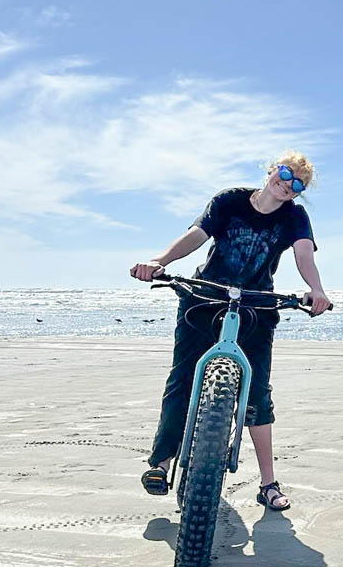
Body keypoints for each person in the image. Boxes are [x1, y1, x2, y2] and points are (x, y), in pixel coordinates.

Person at [130, 151, 331, 511]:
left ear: (299, 193)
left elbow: (304, 257)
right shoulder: (230, 200)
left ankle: (268, 483)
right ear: (272, 171)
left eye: (297, 183)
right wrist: (160, 261)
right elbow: (196, 235)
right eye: (285, 173)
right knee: (183, 380)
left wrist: (316, 289)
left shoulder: (295, 217)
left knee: (257, 394)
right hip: (204, 299)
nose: (288, 184)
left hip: (256, 306)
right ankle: (161, 462)